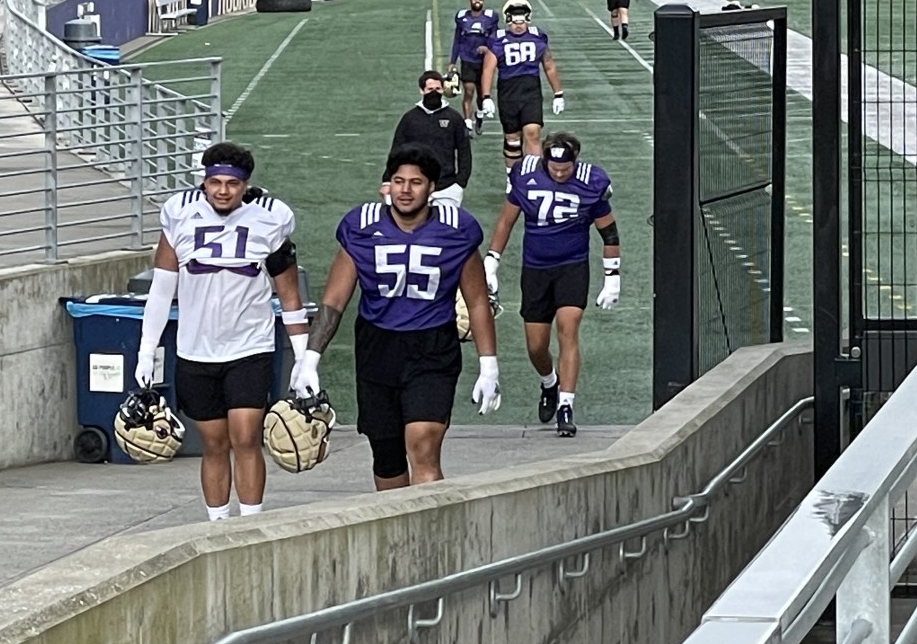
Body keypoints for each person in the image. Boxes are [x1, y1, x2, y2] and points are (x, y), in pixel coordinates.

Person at [291, 144, 501, 491]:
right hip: (377, 345)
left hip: (432, 346)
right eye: (398, 181)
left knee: (422, 443)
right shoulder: (361, 226)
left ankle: (430, 538)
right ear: (388, 184)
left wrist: (489, 365)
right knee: (386, 455)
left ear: (431, 188)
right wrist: (310, 360)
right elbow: (334, 300)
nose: (405, 189)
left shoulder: (457, 229)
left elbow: (477, 301)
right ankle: (398, 537)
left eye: (416, 182)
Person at [133, 142, 309, 521]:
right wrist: (147, 349)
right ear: (204, 181)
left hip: (250, 346)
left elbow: (290, 296)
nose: (223, 190)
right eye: (215, 182)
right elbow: (162, 290)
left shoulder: (270, 218)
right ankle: (217, 527)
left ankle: (251, 523)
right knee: (213, 443)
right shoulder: (180, 215)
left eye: (232, 183)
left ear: (246, 184)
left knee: (246, 437)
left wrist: (303, 358)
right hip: (195, 349)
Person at [482, 132, 620, 438]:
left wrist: (613, 277)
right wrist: (492, 260)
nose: (559, 174)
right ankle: (549, 383)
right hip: (536, 269)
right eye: (554, 169)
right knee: (536, 345)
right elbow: (506, 220)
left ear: (575, 162)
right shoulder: (526, 174)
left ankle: (566, 406)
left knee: (568, 330)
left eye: (565, 169)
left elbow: (609, 232)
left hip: (572, 265)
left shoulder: (590, 182)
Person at [477, 0, 564, 188]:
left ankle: (534, 176)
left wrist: (558, 93)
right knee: (513, 138)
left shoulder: (537, 36)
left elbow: (549, 65)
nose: (519, 25)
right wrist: (486, 97)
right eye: (515, 21)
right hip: (508, 91)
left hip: (531, 88)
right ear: (508, 20)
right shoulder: (497, 40)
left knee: (532, 132)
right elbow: (488, 69)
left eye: (522, 20)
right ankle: (512, 177)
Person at [380, 70, 472, 208]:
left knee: (445, 228)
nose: (434, 92)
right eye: (430, 89)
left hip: (447, 188)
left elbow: (464, 151)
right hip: (416, 188)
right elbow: (396, 150)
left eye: (437, 89)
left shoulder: (454, 118)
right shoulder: (409, 119)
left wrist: (460, 182)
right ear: (422, 90)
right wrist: (387, 181)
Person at [447, 0, 499, 137]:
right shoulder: (462, 18)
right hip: (467, 59)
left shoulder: (490, 18)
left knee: (482, 94)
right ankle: (467, 123)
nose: (478, 1)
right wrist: (452, 61)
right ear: (470, 1)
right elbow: (457, 40)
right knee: (468, 91)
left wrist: (488, 48)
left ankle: (480, 116)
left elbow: (496, 38)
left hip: (484, 62)